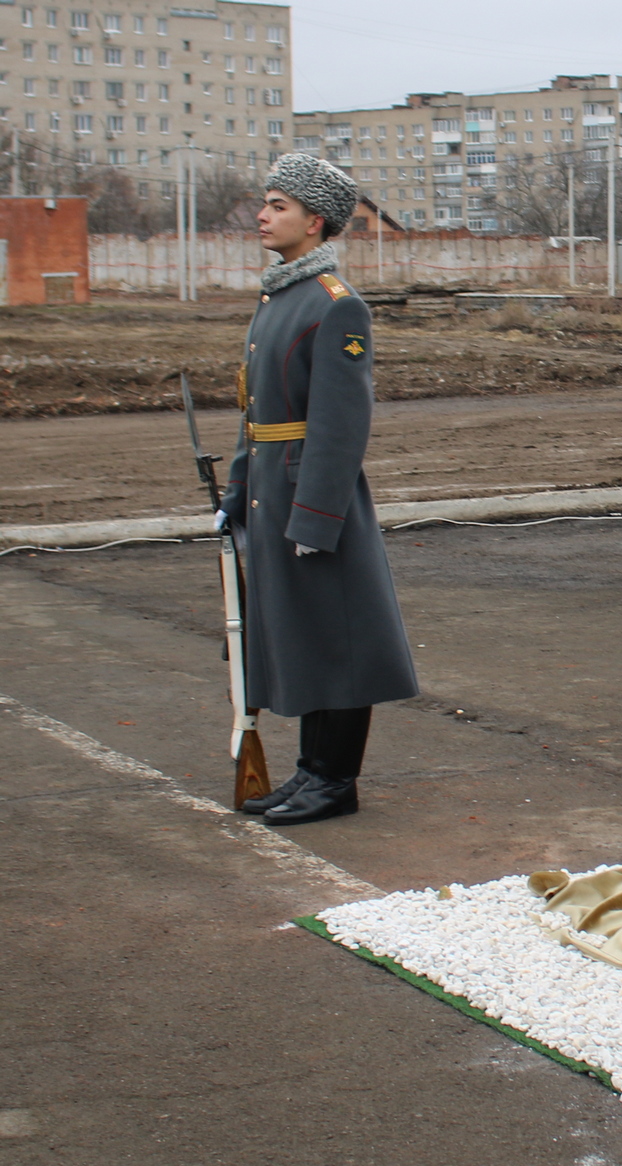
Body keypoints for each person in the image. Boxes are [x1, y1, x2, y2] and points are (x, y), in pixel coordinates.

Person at [218, 154, 419, 827]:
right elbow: (259, 414)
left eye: (277, 205)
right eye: (265, 202)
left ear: (316, 221)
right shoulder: (279, 297)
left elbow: (339, 425)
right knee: (305, 636)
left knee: (338, 642)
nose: (263, 215)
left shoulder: (336, 306)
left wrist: (315, 517)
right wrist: (238, 486)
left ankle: (336, 780)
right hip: (273, 492)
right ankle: (310, 771)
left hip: (313, 500)